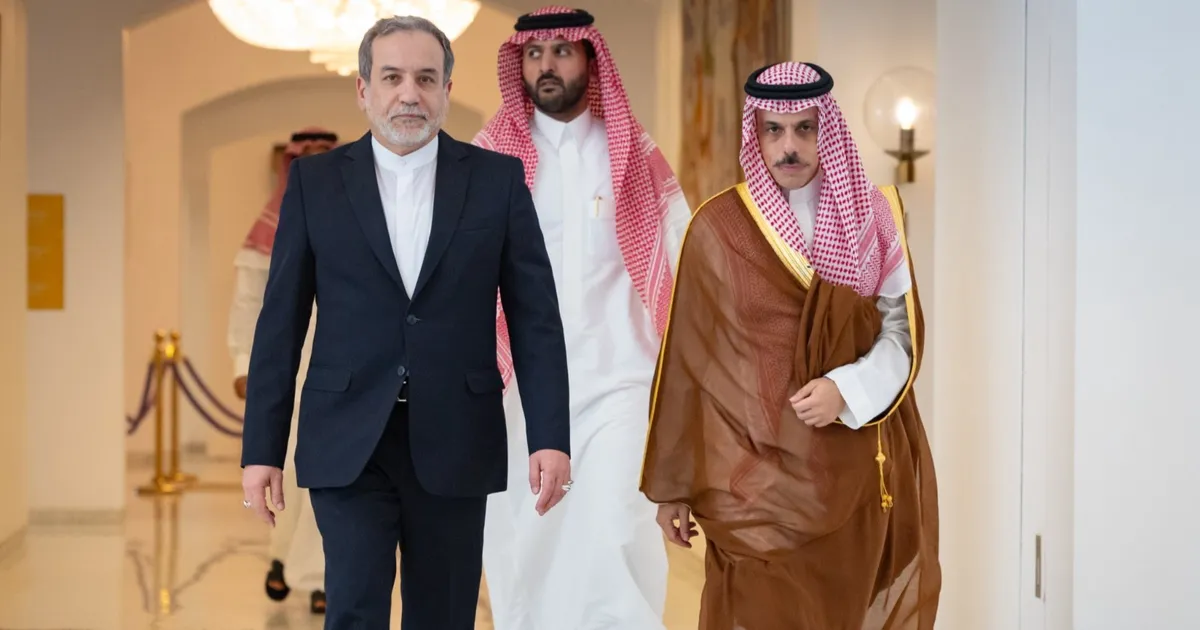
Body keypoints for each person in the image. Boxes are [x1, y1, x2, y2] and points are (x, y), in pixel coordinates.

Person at [239, 15, 572, 630]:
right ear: (363, 90)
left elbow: (536, 320)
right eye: (392, 78)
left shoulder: (496, 181)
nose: (409, 94)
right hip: (347, 440)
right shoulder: (315, 184)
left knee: (444, 616)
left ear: (446, 88)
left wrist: (550, 436)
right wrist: (262, 449)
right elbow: (280, 323)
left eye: (425, 78)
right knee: (353, 611)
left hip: (457, 437)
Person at [639, 61, 941, 629]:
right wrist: (674, 488)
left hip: (847, 470)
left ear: (827, 130)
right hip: (750, 482)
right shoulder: (719, 226)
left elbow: (901, 333)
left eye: (805, 128)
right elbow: (690, 365)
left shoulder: (873, 215)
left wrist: (846, 390)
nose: (789, 146)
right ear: (755, 134)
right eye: (774, 130)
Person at [471, 6, 692, 629]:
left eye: (562, 51)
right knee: (525, 539)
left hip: (618, 380)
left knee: (615, 527)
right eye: (533, 54)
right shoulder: (489, 161)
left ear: (590, 59)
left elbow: (684, 262)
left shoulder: (633, 155)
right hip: (517, 390)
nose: (546, 65)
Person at [228, 127, 337, 615]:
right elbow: (248, 302)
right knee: (284, 469)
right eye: (304, 157)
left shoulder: (352, 218)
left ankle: (320, 576)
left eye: (323, 156)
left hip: (336, 365)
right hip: (281, 369)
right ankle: (280, 557)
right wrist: (242, 364)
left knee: (327, 469)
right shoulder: (268, 227)